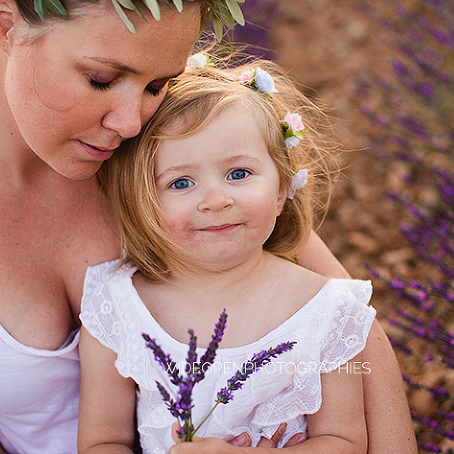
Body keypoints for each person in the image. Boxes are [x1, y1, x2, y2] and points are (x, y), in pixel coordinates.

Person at [0, 0, 415, 452]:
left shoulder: (181, 137)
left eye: (157, 84)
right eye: (102, 79)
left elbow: (351, 328)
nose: (131, 122)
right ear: (6, 23)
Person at [78, 60, 415, 453]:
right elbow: (102, 441)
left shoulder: (327, 311)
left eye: (238, 173)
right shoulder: (118, 306)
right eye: (181, 182)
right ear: (142, 204)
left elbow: (344, 440)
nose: (216, 200)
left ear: (280, 190)